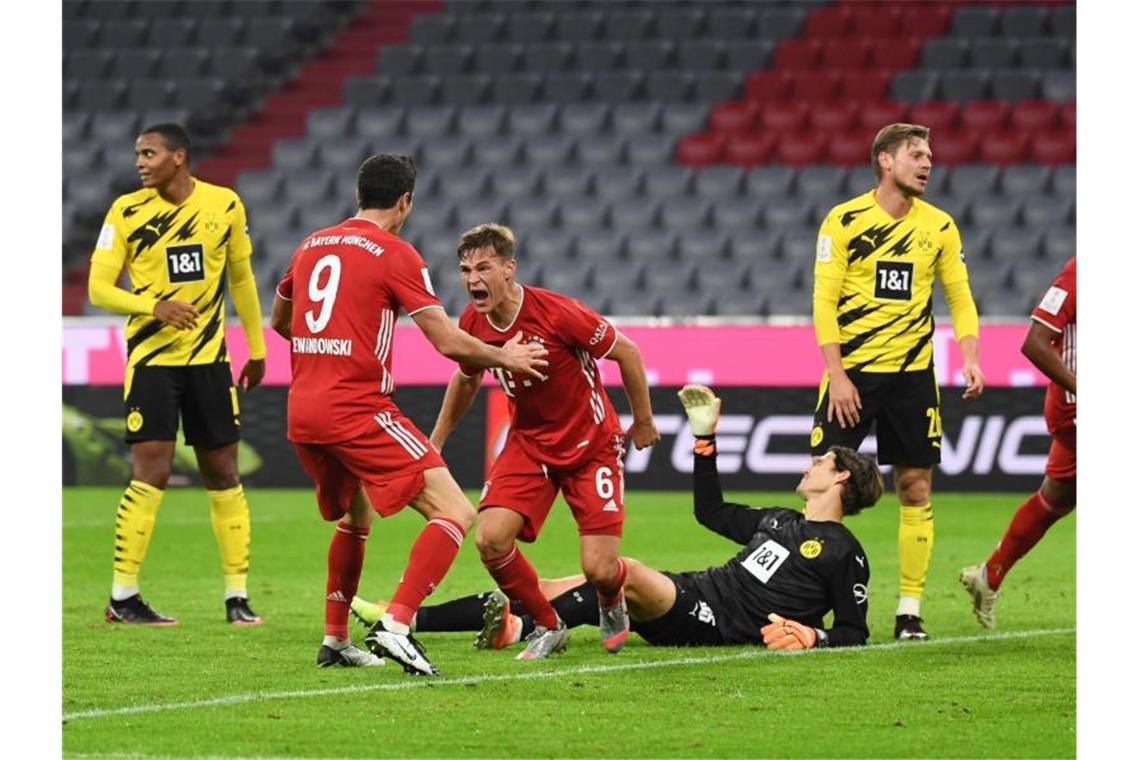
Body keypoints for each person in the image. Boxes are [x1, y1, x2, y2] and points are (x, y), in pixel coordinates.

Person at [269, 155, 547, 675]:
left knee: (356, 516)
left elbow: (281, 318)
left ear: (359, 193)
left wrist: (323, 348)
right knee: (456, 511)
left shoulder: (311, 244)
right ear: (405, 202)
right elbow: (445, 340)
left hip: (303, 407)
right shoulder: (395, 253)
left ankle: (335, 640)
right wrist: (506, 355)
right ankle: (397, 625)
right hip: (356, 406)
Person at [353, 385, 883, 651]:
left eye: (821, 462)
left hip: (718, 622)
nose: (811, 465)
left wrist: (814, 637)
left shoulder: (843, 551)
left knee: (616, 571)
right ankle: (409, 618)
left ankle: (533, 630)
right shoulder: (779, 520)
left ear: (840, 479)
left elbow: (855, 631)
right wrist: (705, 440)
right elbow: (712, 511)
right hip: (698, 590)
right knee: (552, 583)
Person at [428, 223, 659, 660]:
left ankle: (612, 596)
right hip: (530, 445)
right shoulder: (472, 322)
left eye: (484, 267)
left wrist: (642, 420)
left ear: (509, 268)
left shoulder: (558, 313)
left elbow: (626, 351)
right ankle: (549, 625)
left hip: (592, 448)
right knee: (490, 539)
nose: (473, 279)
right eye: (464, 270)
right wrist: (435, 440)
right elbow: (466, 379)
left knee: (599, 568)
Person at [810, 122, 985, 641]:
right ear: (886, 160)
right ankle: (813, 598)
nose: (928, 163)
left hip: (913, 377)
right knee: (824, 488)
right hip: (853, 377)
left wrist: (969, 357)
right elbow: (823, 302)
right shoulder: (843, 221)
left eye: (930, 155)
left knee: (915, 485)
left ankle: (909, 612)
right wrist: (837, 375)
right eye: (916, 155)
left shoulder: (941, 227)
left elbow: (961, 298)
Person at [88, 123, 266, 627]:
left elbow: (241, 278)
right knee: (152, 472)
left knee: (224, 474)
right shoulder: (126, 211)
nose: (140, 162)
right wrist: (153, 306)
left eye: (150, 153)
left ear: (179, 157)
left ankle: (237, 597)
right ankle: (123, 596)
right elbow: (100, 289)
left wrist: (255, 347)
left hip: (211, 362)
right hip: (151, 365)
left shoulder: (225, 205)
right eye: (138, 153)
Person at [959, 256, 1076, 628]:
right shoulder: (1082, 272)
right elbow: (1034, 343)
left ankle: (989, 573)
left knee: (1055, 498)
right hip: (1076, 409)